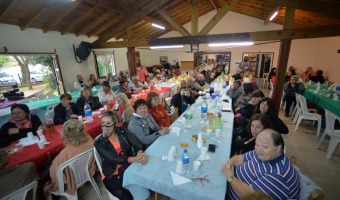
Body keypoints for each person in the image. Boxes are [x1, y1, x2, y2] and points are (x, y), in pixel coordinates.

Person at [222, 129, 300, 199]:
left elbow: (249, 196)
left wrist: (230, 177)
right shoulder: (265, 153)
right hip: (227, 184)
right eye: (257, 144)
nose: (258, 149)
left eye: (265, 147)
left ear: (278, 148)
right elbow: (240, 158)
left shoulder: (277, 175)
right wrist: (228, 164)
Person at [94, 111, 147, 200]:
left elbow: (135, 142)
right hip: (112, 174)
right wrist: (134, 159)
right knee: (128, 196)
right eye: (102, 124)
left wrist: (140, 152)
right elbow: (112, 158)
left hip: (127, 167)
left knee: (144, 184)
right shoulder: (99, 143)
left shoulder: (122, 131)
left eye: (108, 124)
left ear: (115, 124)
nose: (105, 128)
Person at [44, 119, 95, 199]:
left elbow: (54, 174)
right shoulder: (88, 138)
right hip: (85, 169)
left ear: (65, 136)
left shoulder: (65, 153)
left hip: (75, 177)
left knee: (46, 173)